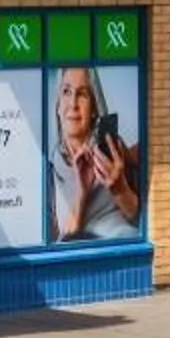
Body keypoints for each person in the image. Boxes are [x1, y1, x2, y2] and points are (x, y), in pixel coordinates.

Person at [47, 65, 142, 241]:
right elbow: (62, 243)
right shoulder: (50, 171)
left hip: (123, 250)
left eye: (82, 94)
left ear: (93, 110)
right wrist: (82, 194)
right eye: (66, 92)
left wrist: (119, 188)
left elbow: (144, 221)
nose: (73, 103)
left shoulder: (112, 150)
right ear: (58, 107)